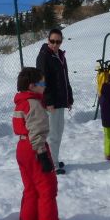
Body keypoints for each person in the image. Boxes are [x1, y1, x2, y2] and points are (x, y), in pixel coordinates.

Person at [13, 67, 66, 220]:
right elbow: (36, 132)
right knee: (46, 186)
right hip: (35, 148)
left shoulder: (20, 103)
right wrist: (42, 155)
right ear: (32, 86)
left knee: (30, 188)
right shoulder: (34, 104)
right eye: (42, 83)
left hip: (22, 148)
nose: (44, 86)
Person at [36, 28, 73, 175]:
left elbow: (65, 79)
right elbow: (42, 81)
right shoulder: (44, 56)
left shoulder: (60, 55)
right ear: (48, 40)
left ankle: (54, 159)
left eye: (58, 42)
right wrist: (48, 101)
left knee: (58, 132)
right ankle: (52, 164)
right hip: (51, 103)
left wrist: (69, 97)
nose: (55, 44)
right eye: (52, 41)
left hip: (60, 101)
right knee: (53, 134)